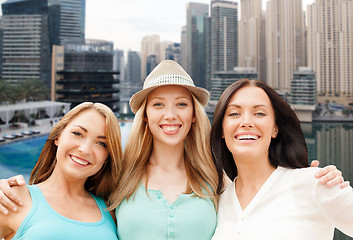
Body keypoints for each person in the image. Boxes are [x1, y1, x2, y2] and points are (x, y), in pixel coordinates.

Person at [0, 62, 347, 239]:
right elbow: (70, 196)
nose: (170, 115)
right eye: (158, 105)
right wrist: (21, 193)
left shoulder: (217, 180)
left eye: (181, 104)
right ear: (145, 116)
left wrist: (309, 179)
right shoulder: (119, 178)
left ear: (194, 116)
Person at [210, 79, 353, 240]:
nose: (246, 122)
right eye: (234, 113)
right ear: (222, 129)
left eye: (259, 113)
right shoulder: (218, 200)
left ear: (275, 128)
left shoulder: (315, 183)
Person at [0, 102, 122, 239]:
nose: (85, 150)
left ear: (107, 157)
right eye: (77, 133)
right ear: (58, 136)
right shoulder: (12, 199)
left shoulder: (111, 211)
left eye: (101, 143)